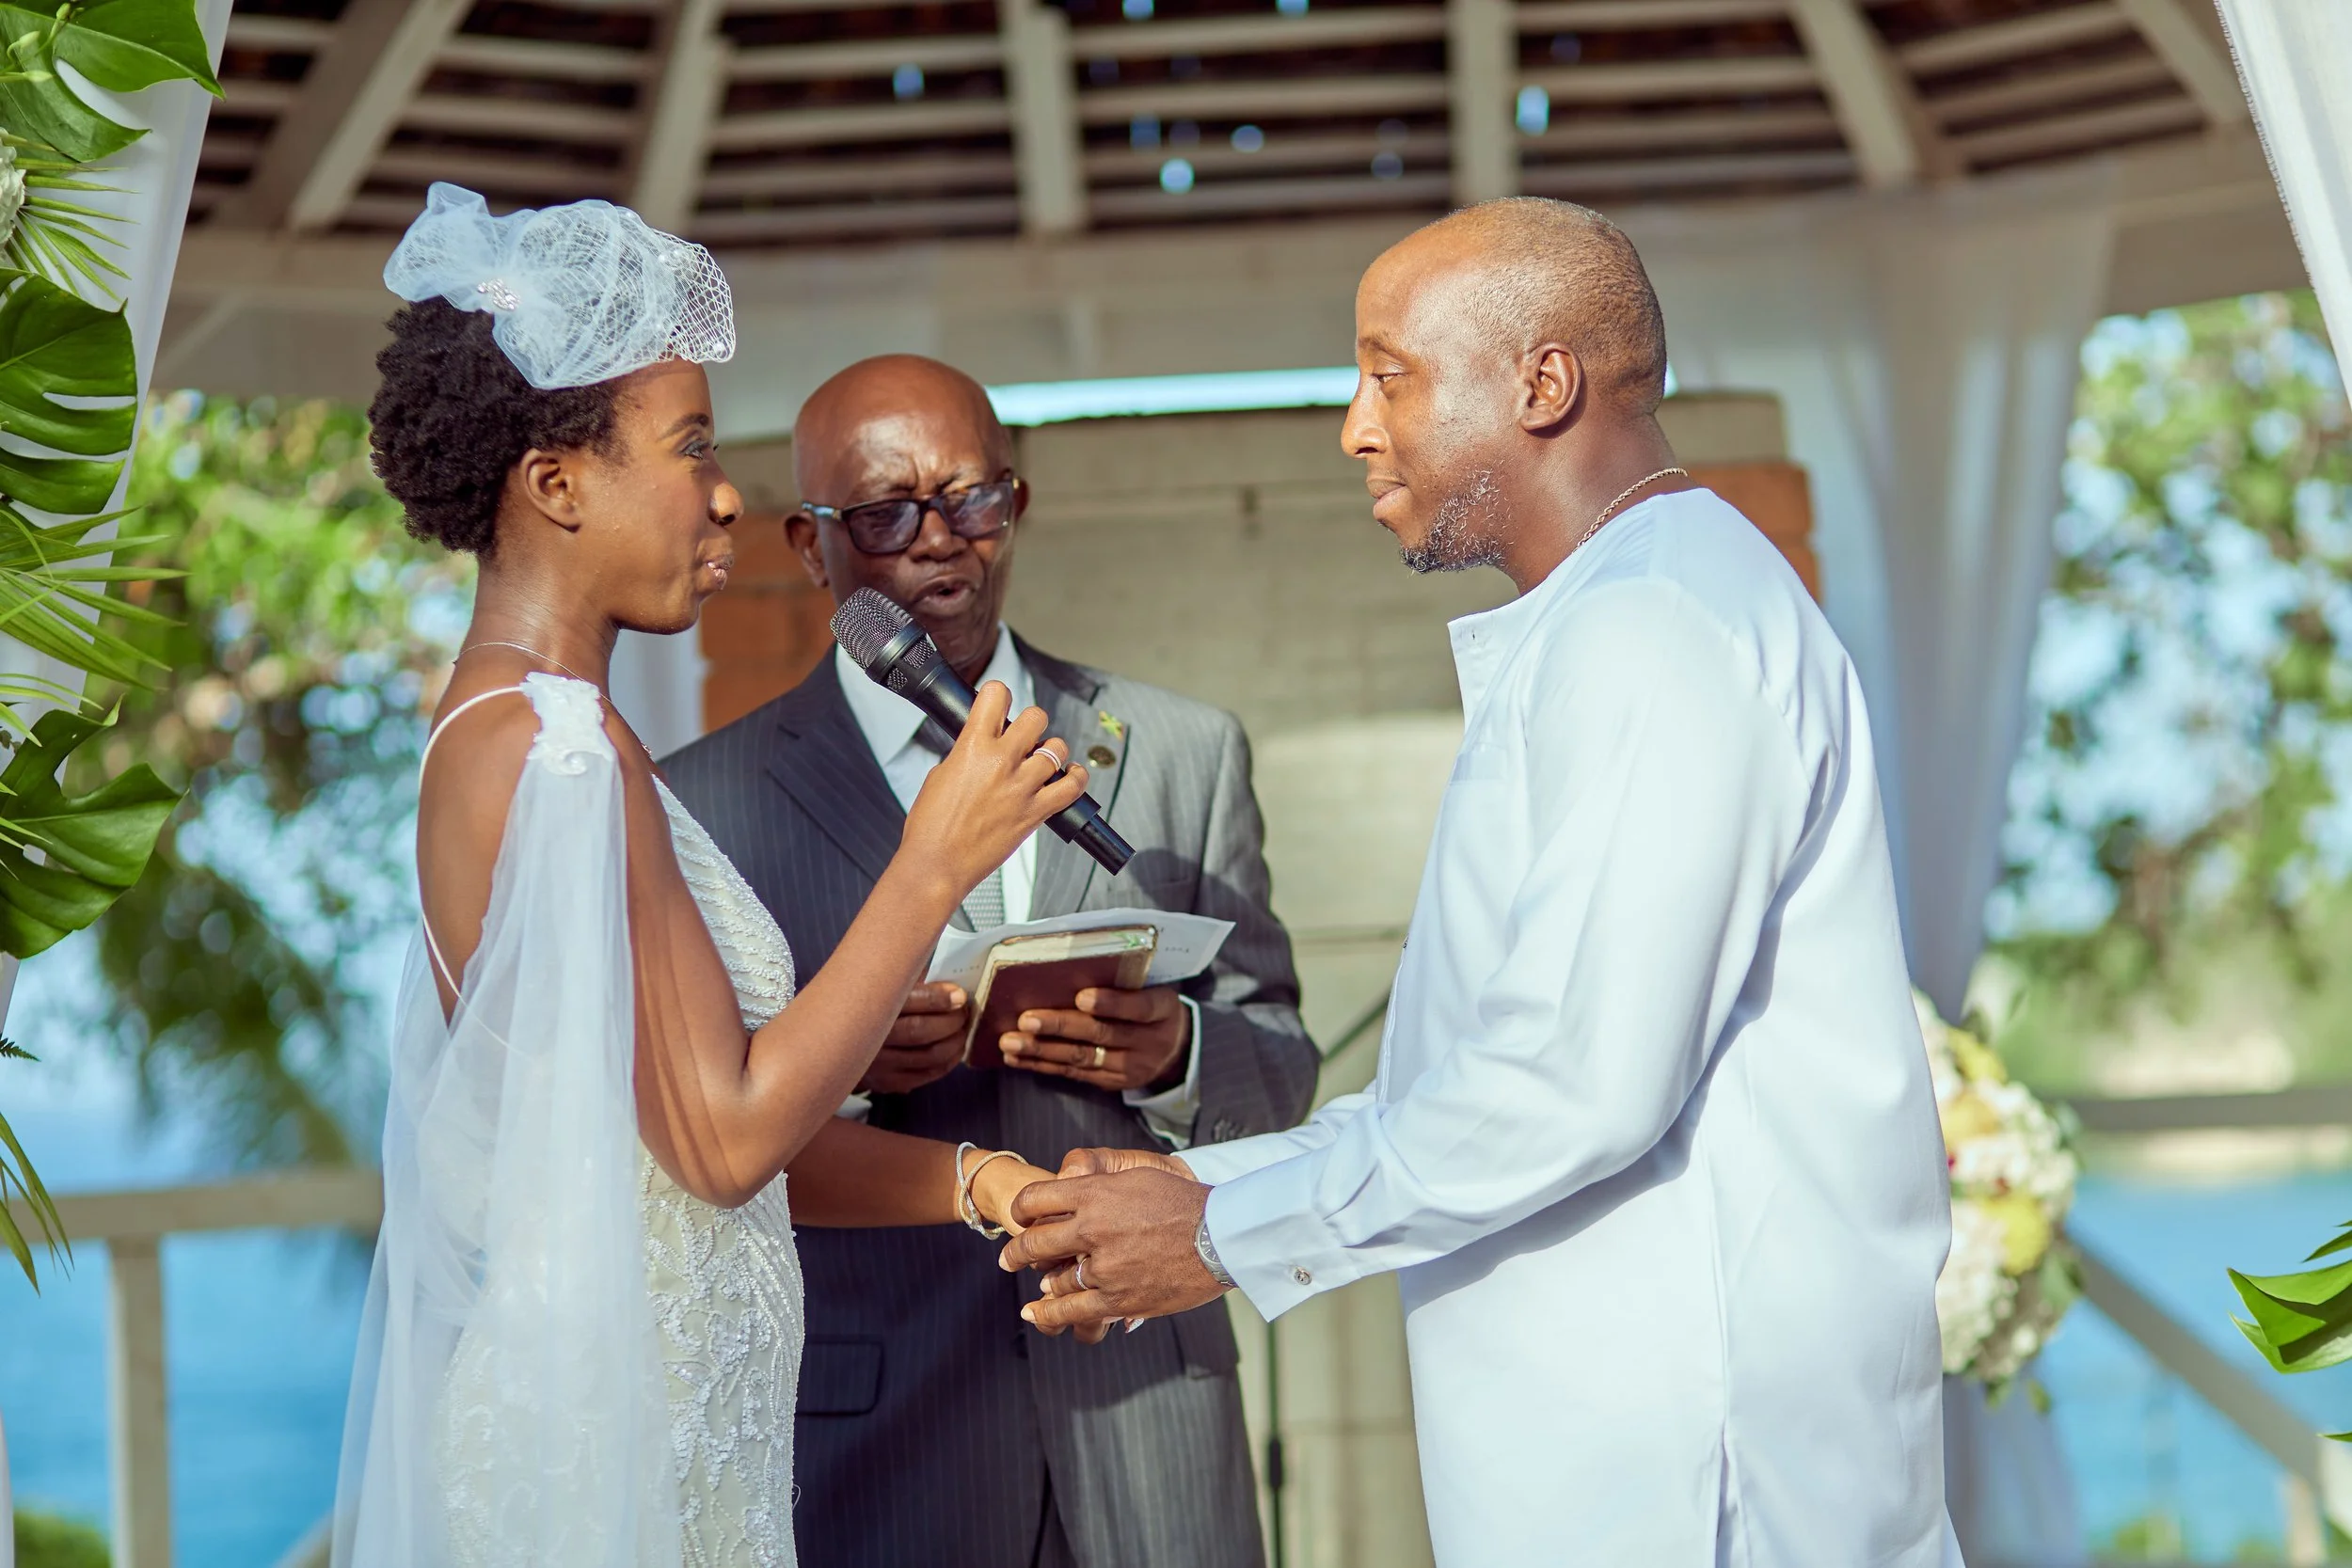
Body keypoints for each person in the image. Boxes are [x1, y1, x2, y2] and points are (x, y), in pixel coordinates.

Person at [1003, 198, 1963, 1566]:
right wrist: (1207, 1191)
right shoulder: (1616, 613)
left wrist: (1223, 1226)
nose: (1352, 424)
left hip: (1699, 1491)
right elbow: (1465, 1090)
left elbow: (1575, 1084)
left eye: (1389, 373)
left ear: (1544, 381)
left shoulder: (1654, 628)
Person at [333, 185, 1087, 1568]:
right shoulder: (560, 751)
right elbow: (723, 1137)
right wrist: (932, 862)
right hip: (614, 1453)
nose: (728, 488)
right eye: (688, 445)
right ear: (555, 482)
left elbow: (668, 1161)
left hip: (651, 1421)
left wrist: (984, 1181)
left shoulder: (525, 728)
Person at [660, 354, 1312, 1568]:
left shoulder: (1178, 749)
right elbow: (696, 1136)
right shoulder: (703, 804)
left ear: (1018, 504)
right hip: (876, 1440)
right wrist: (848, 1063)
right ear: (810, 545)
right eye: (886, 513)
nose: (937, 542)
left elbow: (1283, 1071)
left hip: (1148, 1420)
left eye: (972, 498)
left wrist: (1177, 1051)